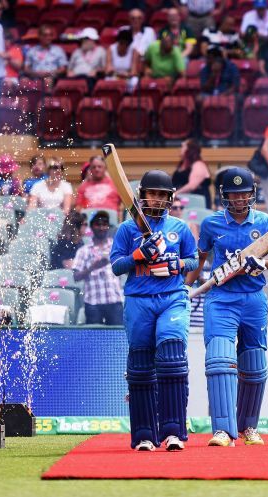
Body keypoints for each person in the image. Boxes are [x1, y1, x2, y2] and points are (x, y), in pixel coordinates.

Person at [185, 167, 268, 447]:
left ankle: (248, 427)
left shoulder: (265, 222)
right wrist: (185, 287)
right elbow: (200, 260)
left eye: (244, 194)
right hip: (220, 299)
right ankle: (222, 430)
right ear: (224, 196)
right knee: (219, 360)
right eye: (233, 194)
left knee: (254, 365)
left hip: (253, 299)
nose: (239, 199)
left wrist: (262, 263)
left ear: (252, 194)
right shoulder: (211, 224)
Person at [109, 169, 198, 451]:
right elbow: (116, 266)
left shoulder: (180, 228)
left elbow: (193, 260)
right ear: (142, 196)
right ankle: (145, 435)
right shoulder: (127, 229)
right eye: (152, 194)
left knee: (172, 357)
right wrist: (138, 255)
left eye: (162, 195)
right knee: (141, 367)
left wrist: (176, 266)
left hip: (172, 296)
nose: (157, 199)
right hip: (138, 300)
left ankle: (173, 432)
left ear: (170, 198)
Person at [73, 210, 124, 325]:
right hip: (93, 302)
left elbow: (126, 268)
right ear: (91, 227)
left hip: (114, 300)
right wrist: (92, 267)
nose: (101, 227)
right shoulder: (84, 251)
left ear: (108, 226)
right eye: (98, 224)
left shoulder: (116, 247)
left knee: (116, 337)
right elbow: (75, 277)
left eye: (104, 224)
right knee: (93, 338)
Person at [24, 24, 68, 89]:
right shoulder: (32, 50)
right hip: (34, 76)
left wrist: (50, 73)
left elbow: (63, 69)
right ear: (39, 36)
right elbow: (26, 68)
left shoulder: (58, 50)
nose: (48, 38)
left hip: (51, 77)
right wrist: (35, 73)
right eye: (45, 35)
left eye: (50, 35)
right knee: (24, 81)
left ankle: (47, 98)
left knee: (47, 81)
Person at [172, 139, 212, 205]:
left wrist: (175, 194)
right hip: (180, 203)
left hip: (197, 203)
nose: (180, 149)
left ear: (190, 150)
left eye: (183, 146)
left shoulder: (198, 164)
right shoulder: (182, 165)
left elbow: (192, 186)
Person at [67, 27, 107, 92]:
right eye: (83, 39)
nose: (83, 41)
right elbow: (69, 69)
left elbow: (105, 69)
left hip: (90, 79)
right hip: (75, 77)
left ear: (93, 40)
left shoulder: (101, 51)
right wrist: (69, 72)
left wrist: (96, 71)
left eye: (86, 39)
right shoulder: (77, 51)